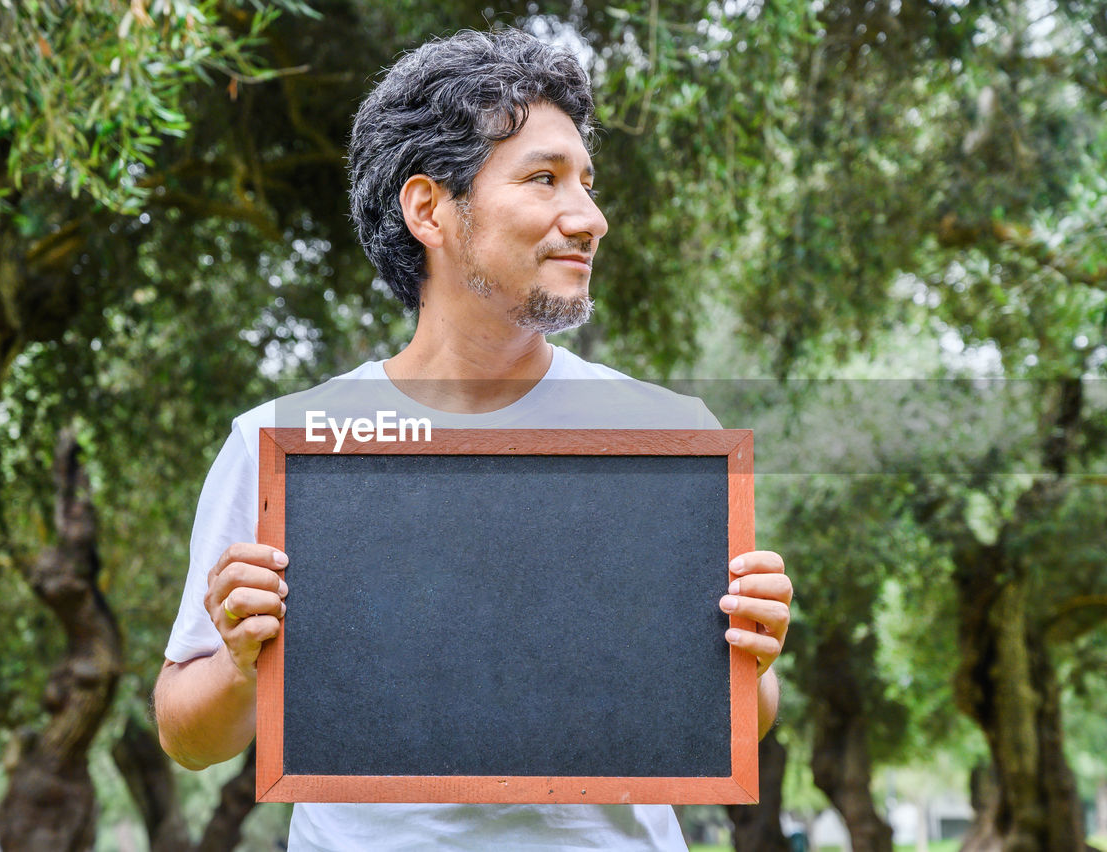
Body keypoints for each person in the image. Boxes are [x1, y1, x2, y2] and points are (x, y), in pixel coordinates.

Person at [155, 27, 793, 850]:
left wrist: (756, 650)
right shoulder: (283, 444)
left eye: (588, 184)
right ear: (428, 208)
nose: (590, 218)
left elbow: (742, 719)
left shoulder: (666, 438)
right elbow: (187, 736)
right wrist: (243, 663)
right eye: (544, 179)